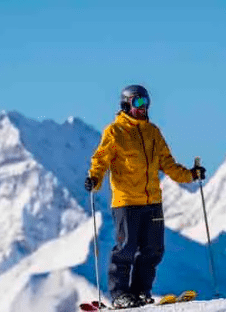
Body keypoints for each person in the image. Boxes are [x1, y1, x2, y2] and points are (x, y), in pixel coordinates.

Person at [86, 84, 206, 309]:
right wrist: (94, 178)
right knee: (126, 249)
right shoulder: (115, 132)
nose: (144, 107)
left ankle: (140, 292)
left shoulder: (153, 133)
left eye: (146, 102)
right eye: (138, 102)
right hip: (127, 202)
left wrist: (191, 175)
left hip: (152, 202)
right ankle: (120, 294)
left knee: (153, 249)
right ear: (126, 104)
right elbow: (100, 160)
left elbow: (168, 164)